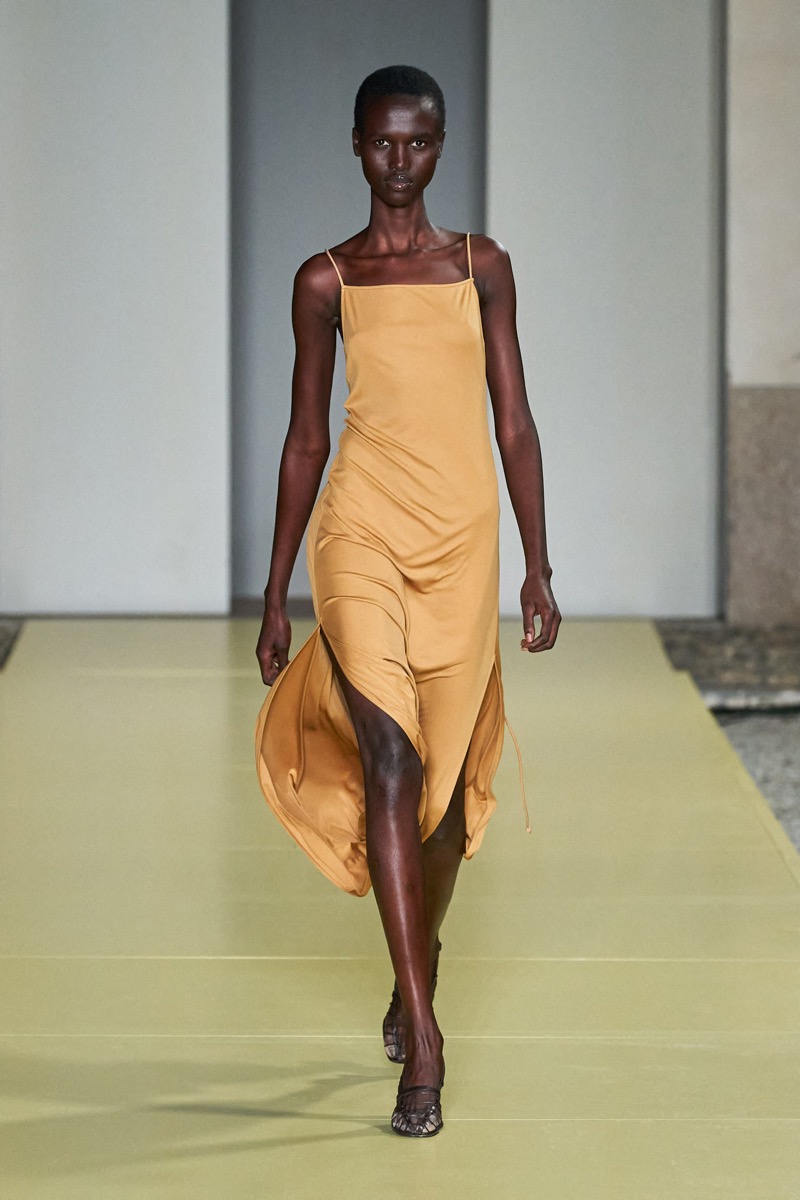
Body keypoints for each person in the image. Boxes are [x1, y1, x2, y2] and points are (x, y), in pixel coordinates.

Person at [255, 64, 560, 1138]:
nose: (399, 160)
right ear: (354, 145)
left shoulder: (483, 268)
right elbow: (306, 438)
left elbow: (513, 420)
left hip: (462, 544)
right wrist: (276, 587)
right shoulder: (324, 280)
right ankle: (424, 1038)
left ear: (440, 145)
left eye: (417, 142)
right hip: (361, 532)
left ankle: (412, 959)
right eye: (382, 142)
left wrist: (537, 563)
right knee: (390, 757)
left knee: (444, 810)